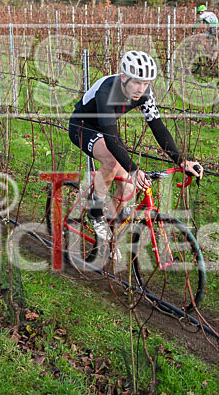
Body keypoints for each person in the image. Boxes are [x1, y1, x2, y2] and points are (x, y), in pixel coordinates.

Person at [68, 50, 204, 254]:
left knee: (127, 189)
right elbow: (112, 139)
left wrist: (181, 161)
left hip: (106, 130)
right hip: (83, 127)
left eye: (146, 83)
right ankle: (95, 214)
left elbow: (157, 127)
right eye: (136, 82)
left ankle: (107, 235)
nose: (141, 89)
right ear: (124, 77)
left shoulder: (145, 94)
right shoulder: (107, 91)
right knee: (113, 162)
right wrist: (133, 169)